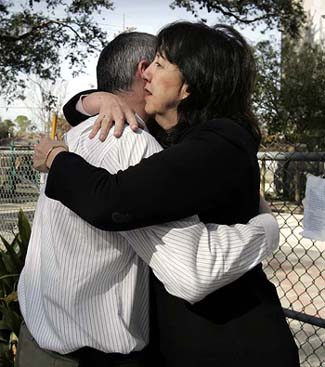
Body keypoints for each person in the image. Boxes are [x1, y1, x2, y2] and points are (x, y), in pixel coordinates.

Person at [34, 22, 299, 367]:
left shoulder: (219, 142)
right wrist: (95, 99)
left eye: (159, 64)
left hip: (233, 341)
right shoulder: (170, 133)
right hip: (184, 340)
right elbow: (75, 112)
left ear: (188, 84)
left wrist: (56, 158)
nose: (146, 75)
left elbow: (112, 201)